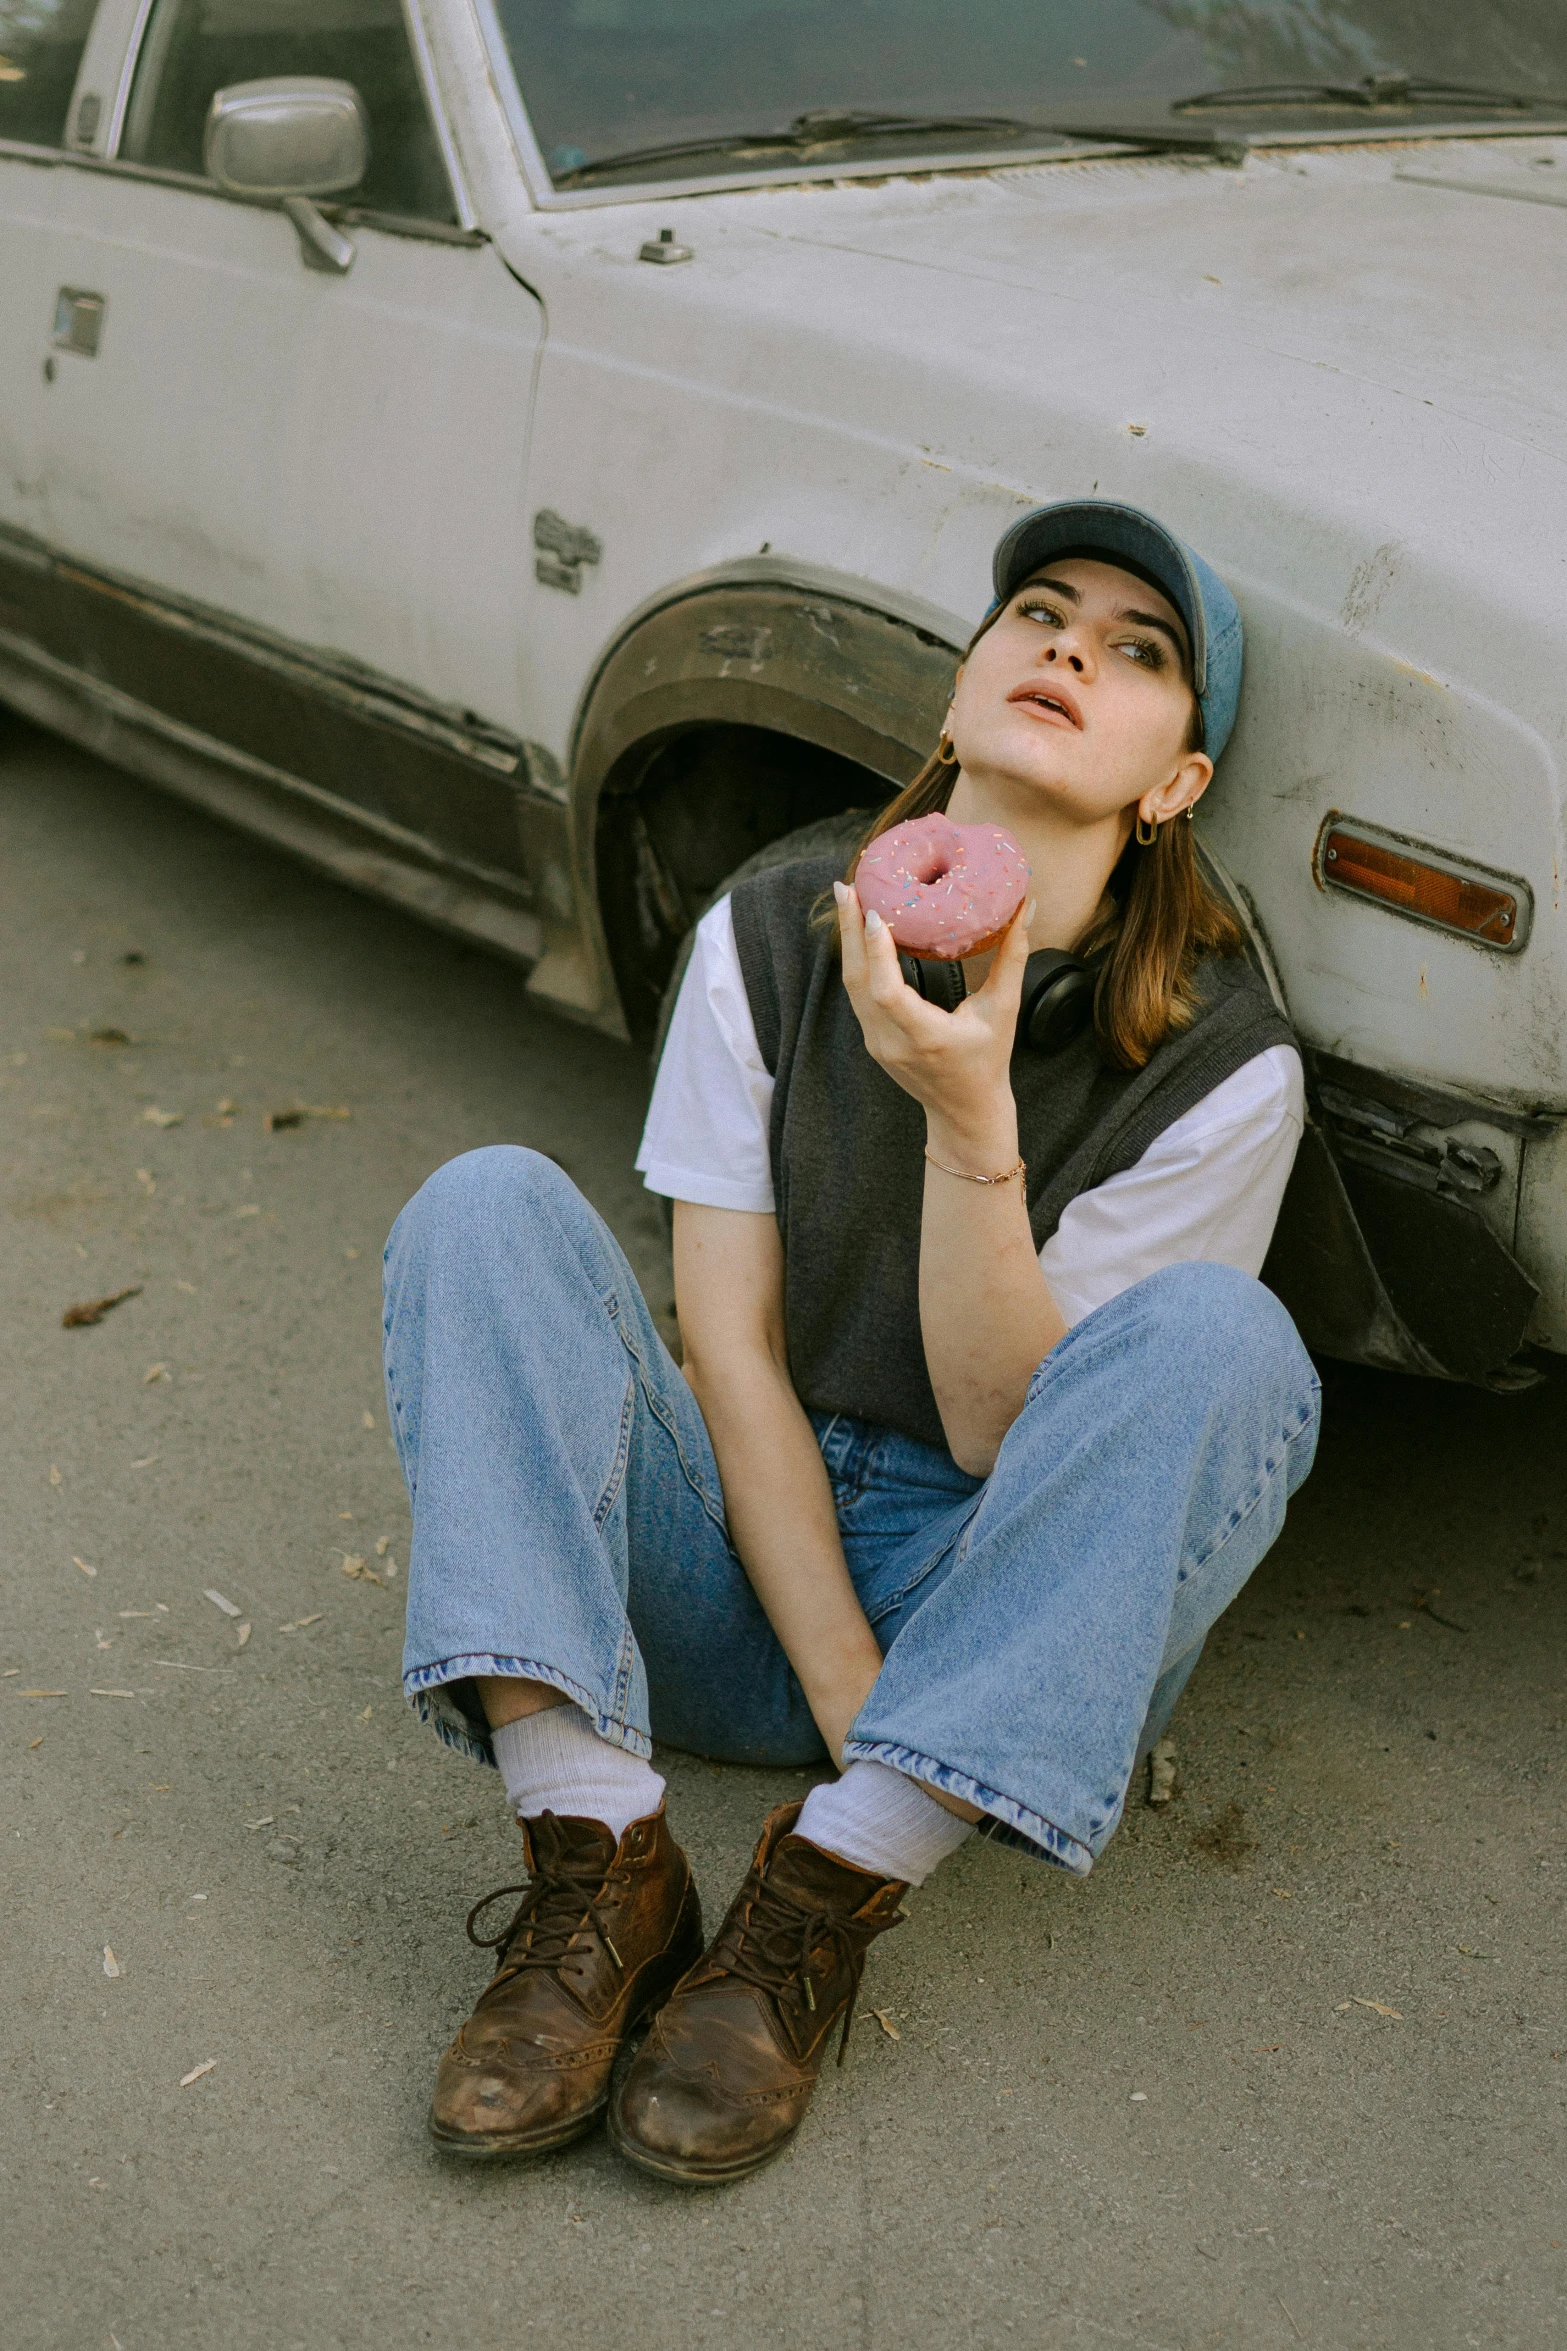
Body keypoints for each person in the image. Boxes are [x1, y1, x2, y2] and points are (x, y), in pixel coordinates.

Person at [382, 499, 1320, 2187]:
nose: (1065, 650)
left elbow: (1004, 1440)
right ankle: (595, 1843)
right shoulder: (770, 925)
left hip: (1004, 1618)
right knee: (482, 1203)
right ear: (962, 678)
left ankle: (825, 1887)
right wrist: (847, 1690)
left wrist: (971, 1120)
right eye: (1037, 612)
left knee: (1220, 1340)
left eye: (1134, 651)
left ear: (1175, 782)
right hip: (746, 1561)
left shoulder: (1223, 1068)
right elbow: (724, 1344)